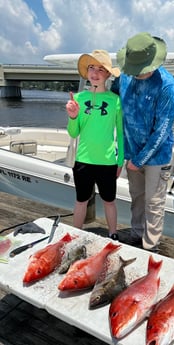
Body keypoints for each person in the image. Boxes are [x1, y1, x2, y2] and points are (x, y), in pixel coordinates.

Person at [112, 32, 174, 252]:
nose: (135, 73)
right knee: (137, 198)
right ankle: (136, 234)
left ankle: (151, 245)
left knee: (154, 201)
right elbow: (110, 100)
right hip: (131, 152)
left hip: (156, 156)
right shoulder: (124, 76)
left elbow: (161, 131)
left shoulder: (167, 86)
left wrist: (140, 160)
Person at [66, 50, 124, 240]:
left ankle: (113, 234)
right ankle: (75, 235)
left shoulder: (115, 100)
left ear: (108, 74)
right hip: (83, 159)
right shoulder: (80, 99)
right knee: (81, 200)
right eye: (92, 67)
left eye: (101, 69)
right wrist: (73, 116)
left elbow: (120, 134)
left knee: (109, 201)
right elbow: (74, 132)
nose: (95, 73)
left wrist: (120, 160)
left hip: (107, 161)